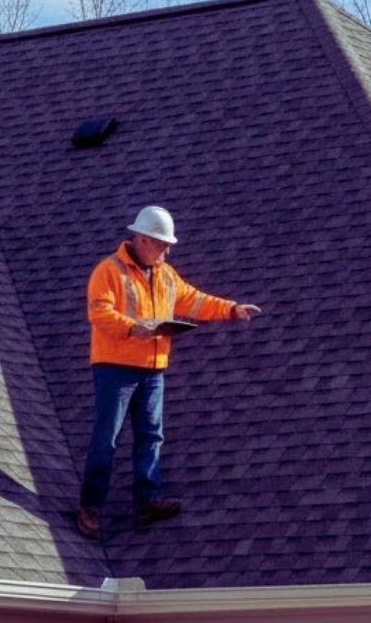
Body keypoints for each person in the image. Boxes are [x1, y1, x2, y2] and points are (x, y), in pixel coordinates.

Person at [75, 205, 261, 540]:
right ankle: (90, 506)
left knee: (150, 436)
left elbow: (193, 300)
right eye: (162, 243)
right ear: (143, 239)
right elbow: (99, 313)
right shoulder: (109, 270)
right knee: (106, 439)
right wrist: (133, 329)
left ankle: (147, 500)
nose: (167, 249)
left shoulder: (165, 274)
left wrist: (231, 310)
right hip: (115, 368)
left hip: (152, 369)